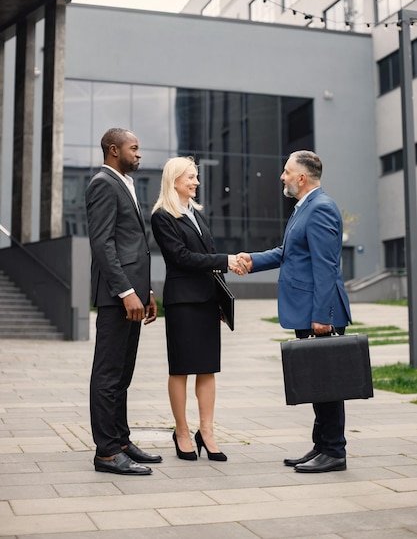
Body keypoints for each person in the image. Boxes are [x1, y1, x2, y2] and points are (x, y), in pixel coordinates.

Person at [237, 150, 351, 473]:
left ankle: (334, 451)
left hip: (320, 314)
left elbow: (326, 268)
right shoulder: (305, 208)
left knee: (328, 384)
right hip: (308, 312)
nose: (282, 177)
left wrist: (322, 317)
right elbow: (289, 253)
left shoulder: (321, 209)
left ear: (302, 178)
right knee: (319, 381)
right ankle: (322, 447)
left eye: (286, 172)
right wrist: (253, 260)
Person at [151, 156, 239, 462]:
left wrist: (220, 299)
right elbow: (181, 258)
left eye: (196, 177)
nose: (196, 182)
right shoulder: (163, 216)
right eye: (190, 177)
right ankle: (183, 432)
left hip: (205, 301)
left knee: (207, 368)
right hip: (182, 303)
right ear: (174, 180)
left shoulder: (196, 214)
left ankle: (207, 431)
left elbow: (208, 254)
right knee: (181, 369)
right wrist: (224, 260)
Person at [85, 127, 162, 475]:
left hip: (132, 295)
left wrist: (144, 291)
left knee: (123, 374)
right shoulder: (103, 183)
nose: (139, 154)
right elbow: (103, 245)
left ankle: (120, 440)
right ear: (114, 150)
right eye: (134, 148)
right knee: (108, 373)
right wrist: (126, 292)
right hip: (118, 297)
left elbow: (131, 245)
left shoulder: (124, 183)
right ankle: (105, 453)